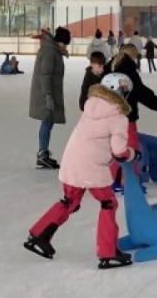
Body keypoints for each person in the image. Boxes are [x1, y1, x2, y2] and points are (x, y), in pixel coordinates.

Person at [22, 72, 136, 269]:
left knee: (70, 202)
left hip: (72, 161)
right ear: (120, 91)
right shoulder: (117, 117)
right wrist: (132, 154)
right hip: (90, 168)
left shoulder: (91, 106)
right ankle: (108, 252)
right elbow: (119, 152)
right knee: (108, 203)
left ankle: (38, 235)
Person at [107, 44, 157, 193]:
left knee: (117, 149)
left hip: (110, 117)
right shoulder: (128, 71)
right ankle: (130, 184)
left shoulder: (111, 66)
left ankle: (113, 181)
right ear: (133, 55)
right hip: (126, 118)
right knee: (131, 150)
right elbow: (143, 94)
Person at [30, 26, 71, 169]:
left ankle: (44, 153)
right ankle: (42, 155)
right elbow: (45, 75)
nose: (65, 46)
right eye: (64, 43)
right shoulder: (49, 52)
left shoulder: (53, 50)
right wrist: (48, 95)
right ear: (59, 41)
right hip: (45, 93)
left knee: (48, 121)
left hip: (49, 92)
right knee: (47, 121)